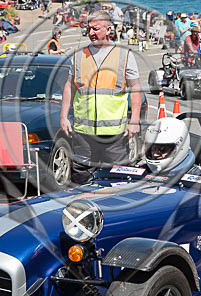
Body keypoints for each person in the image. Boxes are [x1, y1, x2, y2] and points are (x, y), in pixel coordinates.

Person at [60, 11, 142, 184]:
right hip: (83, 133)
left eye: (95, 29)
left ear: (108, 29)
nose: (91, 33)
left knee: (116, 180)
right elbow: (69, 86)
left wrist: (134, 119)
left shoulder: (124, 55)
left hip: (113, 135)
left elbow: (135, 87)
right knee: (80, 179)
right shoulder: (78, 56)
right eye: (89, 29)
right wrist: (64, 117)